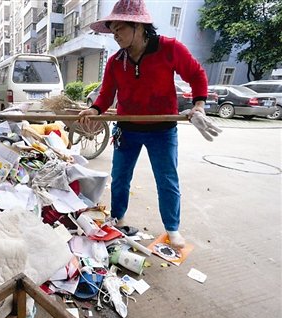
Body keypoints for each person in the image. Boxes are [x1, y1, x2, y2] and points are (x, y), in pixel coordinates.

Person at [79, 0, 219, 249]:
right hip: (127, 129)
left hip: (162, 130)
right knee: (120, 177)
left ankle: (172, 228)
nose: (116, 35)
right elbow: (106, 96)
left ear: (140, 26)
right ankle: (119, 217)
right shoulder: (115, 61)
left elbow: (196, 74)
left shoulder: (169, 48)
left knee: (167, 180)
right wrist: (93, 109)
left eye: (120, 28)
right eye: (113, 29)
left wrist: (198, 106)